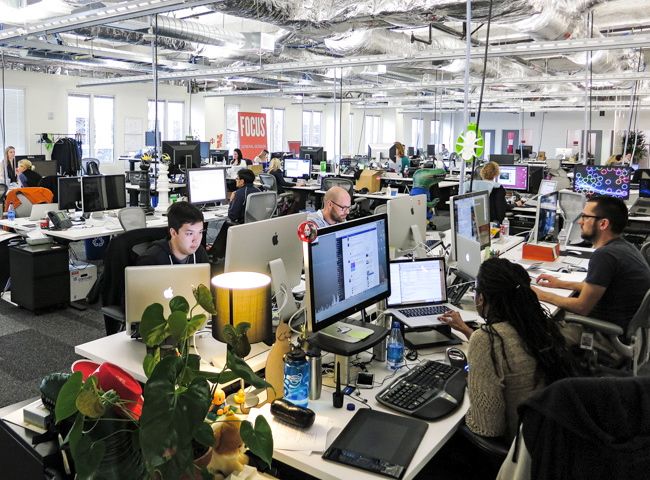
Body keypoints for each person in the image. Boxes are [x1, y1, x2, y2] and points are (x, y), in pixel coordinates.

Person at [439, 258, 575, 442]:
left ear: (481, 298)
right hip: (551, 439)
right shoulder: (536, 323)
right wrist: (466, 330)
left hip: (516, 451)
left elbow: (487, 427)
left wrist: (473, 384)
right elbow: (508, 346)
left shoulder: (487, 339)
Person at [533, 196, 650, 356]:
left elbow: (582, 307)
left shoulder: (605, 256)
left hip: (605, 335)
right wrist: (560, 283)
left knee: (536, 336)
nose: (580, 222)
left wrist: (540, 294)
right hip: (621, 327)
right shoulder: (624, 247)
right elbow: (598, 287)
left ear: (603, 224)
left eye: (585, 217)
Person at [209, 168, 261, 260]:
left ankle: (215, 253)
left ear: (242, 181)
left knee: (227, 224)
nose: (235, 180)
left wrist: (231, 200)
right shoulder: (258, 191)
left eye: (237, 178)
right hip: (257, 225)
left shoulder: (239, 193)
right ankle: (216, 252)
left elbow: (232, 215)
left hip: (243, 226)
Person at [137, 201, 210, 265]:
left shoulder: (199, 252)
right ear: (173, 233)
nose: (196, 240)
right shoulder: (151, 260)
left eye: (200, 232)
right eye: (190, 234)